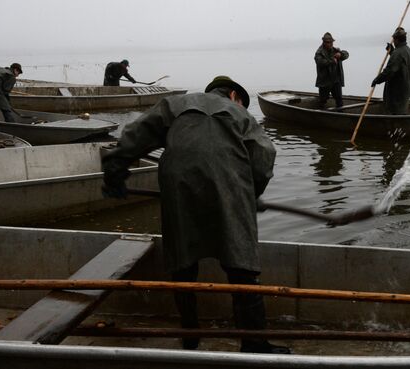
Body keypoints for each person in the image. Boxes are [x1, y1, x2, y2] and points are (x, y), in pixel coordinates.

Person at [101, 76, 290, 354]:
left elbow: (137, 134)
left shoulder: (176, 103)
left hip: (179, 183)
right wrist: (252, 192)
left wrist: (115, 172)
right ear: (235, 95)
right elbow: (263, 155)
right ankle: (254, 342)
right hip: (229, 183)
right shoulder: (239, 112)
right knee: (241, 264)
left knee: (183, 260)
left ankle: (190, 336)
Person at [371, 27, 410, 115]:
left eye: (394, 39)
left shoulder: (398, 53)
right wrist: (392, 52)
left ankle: (395, 128)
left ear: (397, 40)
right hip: (405, 90)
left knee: (395, 112)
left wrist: (377, 80)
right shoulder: (408, 50)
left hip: (396, 92)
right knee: (401, 110)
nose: (393, 41)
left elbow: (389, 71)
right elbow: (399, 65)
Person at [314, 32, 349, 109]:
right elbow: (320, 62)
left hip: (336, 80)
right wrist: (332, 61)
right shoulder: (319, 52)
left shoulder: (336, 50)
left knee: (339, 100)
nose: (330, 44)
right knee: (322, 100)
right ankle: (320, 115)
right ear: (324, 43)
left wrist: (341, 54)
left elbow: (347, 54)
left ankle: (341, 114)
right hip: (324, 81)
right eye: (328, 43)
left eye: (331, 42)